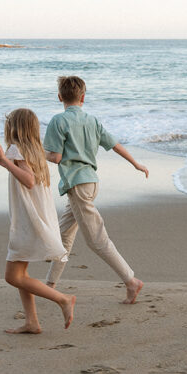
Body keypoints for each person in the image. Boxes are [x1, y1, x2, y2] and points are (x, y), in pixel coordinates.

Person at [43, 75, 147, 304]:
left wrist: (36, 153)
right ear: (83, 97)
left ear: (60, 97)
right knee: (63, 236)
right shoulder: (92, 120)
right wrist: (135, 163)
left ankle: (131, 280)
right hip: (88, 183)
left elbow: (56, 156)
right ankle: (49, 286)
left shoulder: (58, 121)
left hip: (78, 185)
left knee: (96, 240)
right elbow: (114, 144)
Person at [0, 108, 77, 333]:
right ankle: (32, 322)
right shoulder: (35, 150)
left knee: (12, 276)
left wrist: (6, 163)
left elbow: (28, 181)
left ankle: (62, 299)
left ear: (15, 127)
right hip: (34, 218)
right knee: (21, 275)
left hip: (27, 222)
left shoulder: (16, 149)